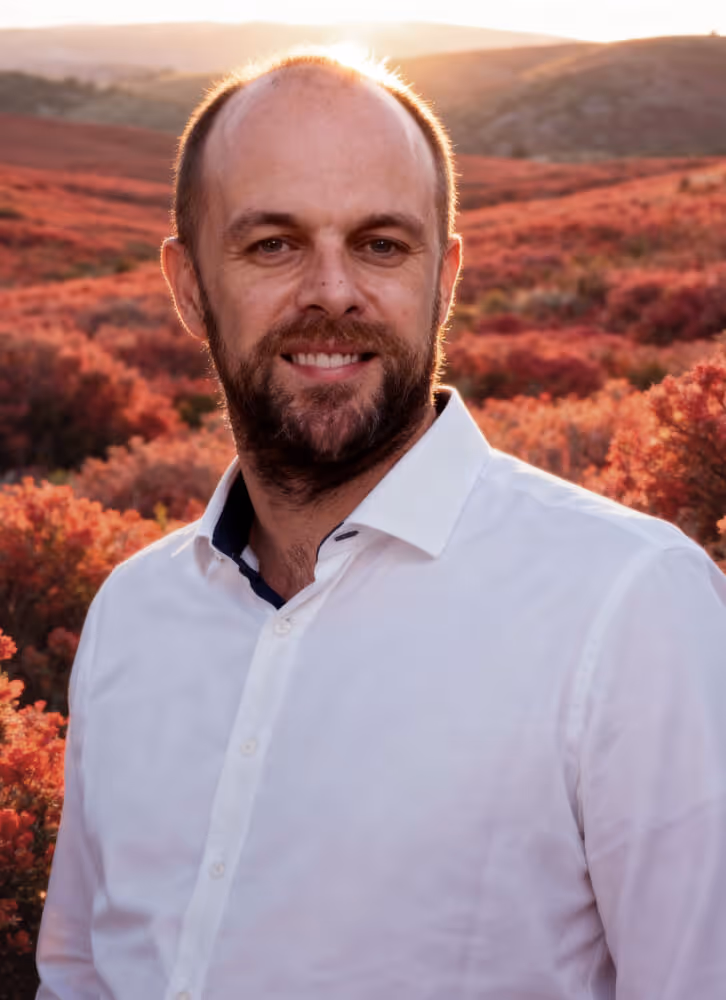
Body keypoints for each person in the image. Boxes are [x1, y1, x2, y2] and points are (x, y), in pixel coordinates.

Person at [36, 50, 726, 1000]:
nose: (334, 291)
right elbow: (82, 971)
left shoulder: (632, 607)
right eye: (273, 244)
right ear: (189, 286)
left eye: (381, 245)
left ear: (444, 279)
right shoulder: (134, 612)